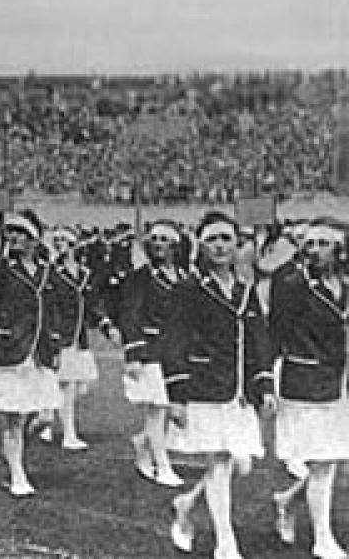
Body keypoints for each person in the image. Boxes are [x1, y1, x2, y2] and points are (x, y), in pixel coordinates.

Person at [163, 211, 276, 559]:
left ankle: (187, 504)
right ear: (200, 244)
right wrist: (177, 395)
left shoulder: (245, 290)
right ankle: (226, 543)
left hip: (239, 393)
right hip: (204, 388)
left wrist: (265, 384)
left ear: (237, 244)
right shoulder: (189, 287)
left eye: (226, 238)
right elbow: (174, 340)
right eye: (212, 239)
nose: (220, 246)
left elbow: (258, 339)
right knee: (222, 463)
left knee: (240, 463)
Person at [269, 217, 349, 559]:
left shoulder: (345, 283)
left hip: (340, 378)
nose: (314, 250)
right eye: (310, 243)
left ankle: (286, 502)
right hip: (305, 380)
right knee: (323, 461)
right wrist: (266, 380)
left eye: (323, 243)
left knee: (329, 460)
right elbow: (275, 330)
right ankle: (323, 538)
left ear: (340, 249)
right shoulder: (291, 281)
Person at [0, 209, 62, 498]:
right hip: (10, 350)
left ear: (35, 239)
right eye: (10, 233)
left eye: (21, 233)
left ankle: (15, 454)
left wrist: (56, 345)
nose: (14, 238)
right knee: (14, 418)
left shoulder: (48, 271)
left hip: (40, 352)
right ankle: (17, 473)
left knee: (45, 416)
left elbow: (54, 311)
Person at [120, 220, 188, 487]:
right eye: (154, 239)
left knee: (172, 408)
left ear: (175, 245)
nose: (158, 244)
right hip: (150, 351)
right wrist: (134, 353)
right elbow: (130, 314)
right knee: (157, 409)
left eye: (164, 239)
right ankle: (163, 465)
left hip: (178, 353)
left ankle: (143, 443)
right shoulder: (140, 277)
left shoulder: (186, 276)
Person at [34, 226, 113, 451]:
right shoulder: (50, 272)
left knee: (84, 384)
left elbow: (91, 303)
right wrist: (54, 337)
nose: (60, 244)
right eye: (56, 240)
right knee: (67, 385)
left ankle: (46, 412)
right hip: (61, 336)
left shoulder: (85, 273)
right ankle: (69, 433)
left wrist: (104, 323)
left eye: (64, 240)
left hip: (79, 337)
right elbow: (49, 307)